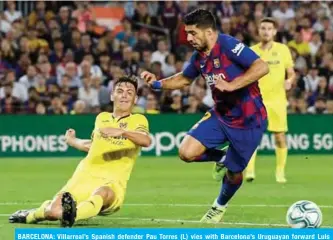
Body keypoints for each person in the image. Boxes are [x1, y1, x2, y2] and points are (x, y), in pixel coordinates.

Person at [141, 9, 269, 223]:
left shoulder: (228, 45)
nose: (188, 38)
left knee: (235, 174)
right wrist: (157, 83)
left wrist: (231, 85)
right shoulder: (199, 56)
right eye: (187, 33)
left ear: (209, 32)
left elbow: (261, 66)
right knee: (186, 152)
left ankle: (218, 206)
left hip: (249, 120)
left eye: (192, 33)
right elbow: (184, 79)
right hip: (221, 115)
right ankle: (223, 158)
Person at [9, 76, 151, 227]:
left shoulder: (138, 120)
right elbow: (94, 145)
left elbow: (145, 140)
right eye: (120, 91)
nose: (124, 95)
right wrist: (73, 141)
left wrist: (123, 132)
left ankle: (72, 216)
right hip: (84, 176)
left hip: (112, 182)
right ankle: (31, 215)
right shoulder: (101, 118)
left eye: (129, 93)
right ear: (112, 95)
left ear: (135, 99)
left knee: (103, 193)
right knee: (53, 212)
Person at [246, 18, 296, 183]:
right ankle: (250, 171)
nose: (266, 31)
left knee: (279, 137)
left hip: (277, 101)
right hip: (256, 100)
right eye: (263, 28)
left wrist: (289, 81)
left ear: (274, 32)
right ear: (258, 31)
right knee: (252, 136)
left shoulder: (282, 50)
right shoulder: (251, 51)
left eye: (269, 28)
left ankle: (280, 172)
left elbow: (291, 72)